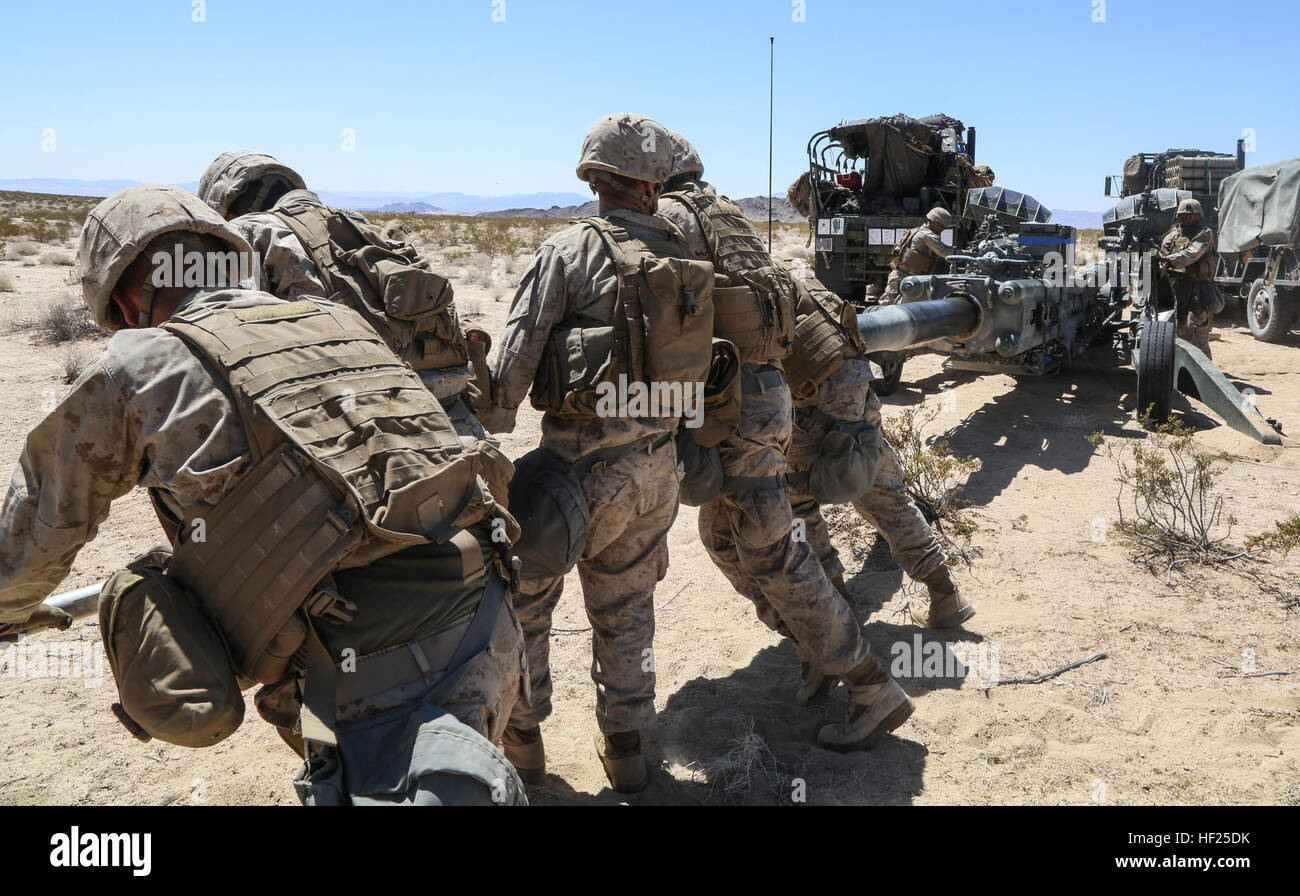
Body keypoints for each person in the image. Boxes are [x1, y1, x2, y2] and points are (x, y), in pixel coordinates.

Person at [0, 184, 526, 806]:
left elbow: (38, 530)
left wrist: (8, 611)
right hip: (491, 626)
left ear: (121, 298)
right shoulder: (338, 319)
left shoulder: (141, 365)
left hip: (369, 682)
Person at [479, 113, 718, 792]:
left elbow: (503, 401)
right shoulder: (685, 252)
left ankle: (524, 746)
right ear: (654, 182)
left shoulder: (569, 251)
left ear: (594, 174)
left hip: (577, 481)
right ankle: (628, 754)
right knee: (628, 612)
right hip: (659, 471)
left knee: (522, 602)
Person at [656, 132, 916, 744]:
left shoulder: (676, 220)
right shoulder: (725, 218)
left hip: (747, 405)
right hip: (759, 401)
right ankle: (814, 645)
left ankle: (869, 683)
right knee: (724, 536)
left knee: (771, 545)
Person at [197, 151, 487, 439]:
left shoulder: (251, 231)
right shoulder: (356, 224)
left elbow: (233, 342)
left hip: (361, 426)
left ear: (225, 206)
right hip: (450, 414)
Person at [782, 277, 976, 705]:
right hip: (852, 381)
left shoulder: (716, 273)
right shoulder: (789, 272)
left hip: (803, 394)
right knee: (881, 488)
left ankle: (837, 617)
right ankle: (945, 593)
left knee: (795, 508)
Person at [1158, 197, 1221, 358]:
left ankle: (1207, 374)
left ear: (1198, 215)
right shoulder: (1173, 236)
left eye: (1192, 215)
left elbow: (1192, 254)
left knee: (1199, 334)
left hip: (1199, 289)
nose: (1188, 217)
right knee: (1180, 331)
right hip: (1179, 288)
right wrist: (1161, 263)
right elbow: (1163, 254)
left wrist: (1168, 260)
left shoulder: (1205, 233)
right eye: (1185, 215)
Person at [881, 207, 955, 304]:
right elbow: (945, 252)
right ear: (934, 222)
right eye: (942, 226)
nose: (942, 229)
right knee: (889, 310)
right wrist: (965, 253)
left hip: (906, 278)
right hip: (903, 279)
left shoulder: (917, 231)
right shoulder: (926, 235)